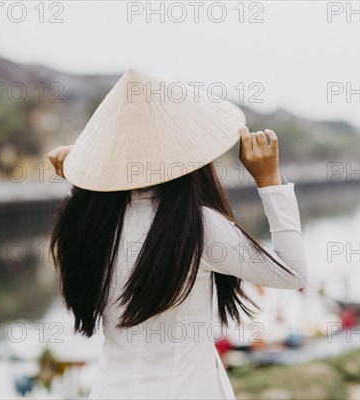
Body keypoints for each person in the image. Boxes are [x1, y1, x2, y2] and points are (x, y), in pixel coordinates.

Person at [47, 69, 308, 399]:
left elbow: (90, 205)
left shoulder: (87, 225)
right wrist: (269, 182)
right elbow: (292, 273)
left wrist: (78, 183)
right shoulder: (198, 227)